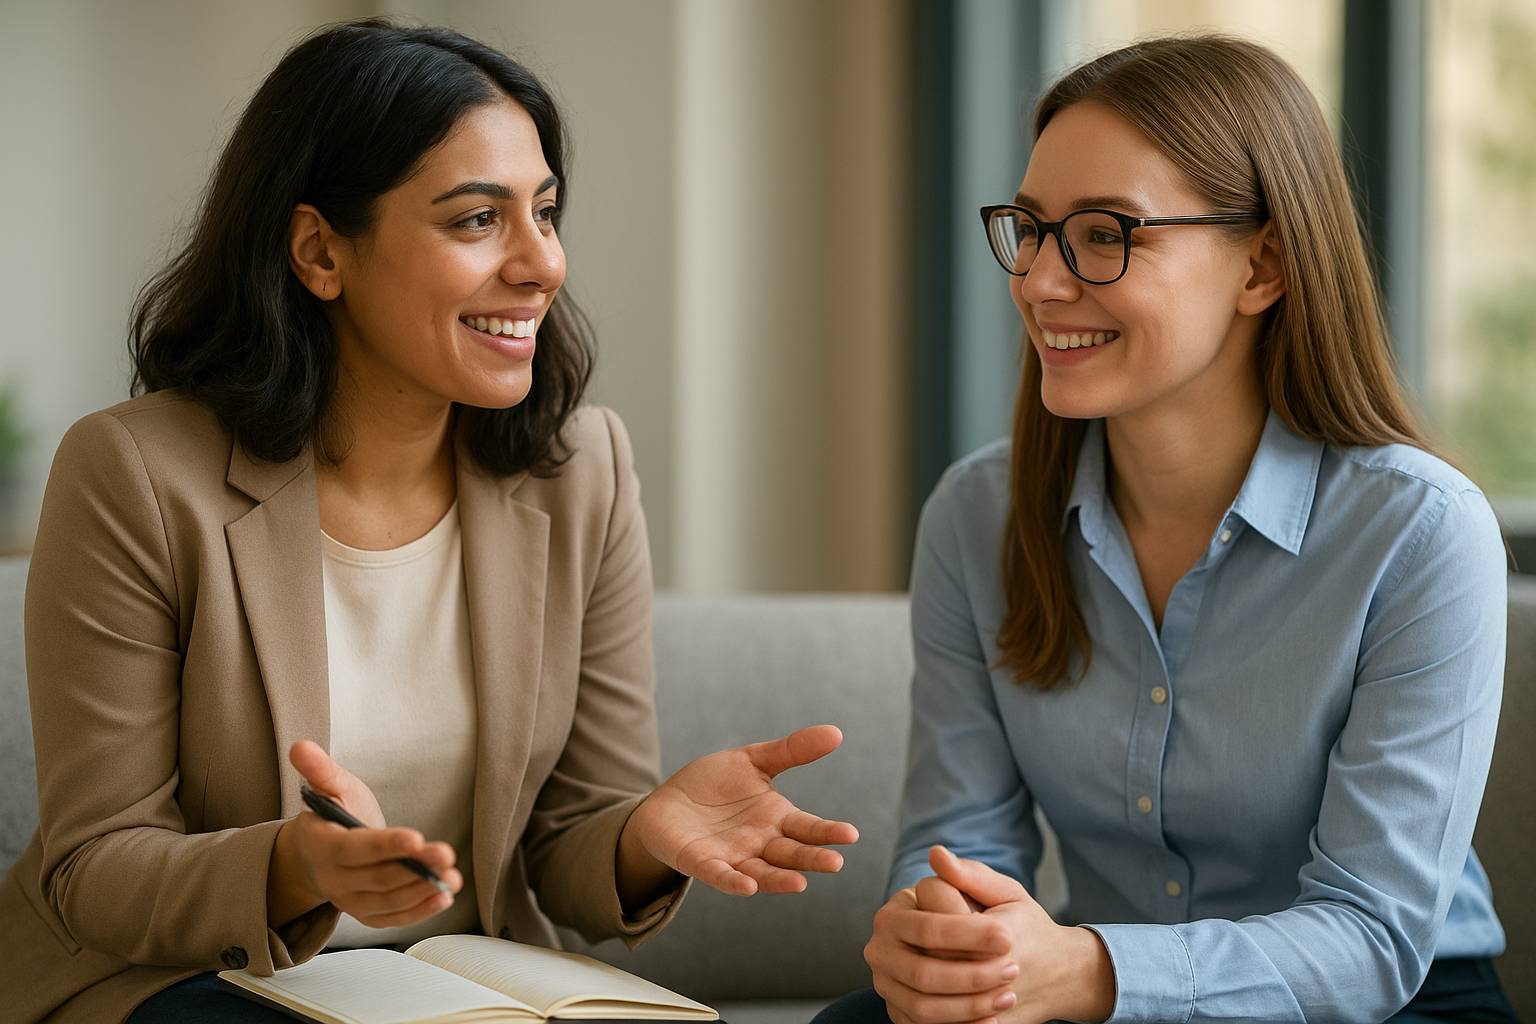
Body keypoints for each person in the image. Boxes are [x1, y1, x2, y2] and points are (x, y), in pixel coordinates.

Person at [0, 20, 857, 1023]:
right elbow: (96, 864)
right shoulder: (136, 473)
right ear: (320, 251)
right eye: (477, 219)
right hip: (189, 981)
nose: (542, 264)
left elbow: (568, 839)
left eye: (545, 212)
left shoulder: (585, 470)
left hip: (459, 986)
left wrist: (645, 834)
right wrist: (292, 866)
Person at [816, 34, 1515, 1024]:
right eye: (1031, 228)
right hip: (1093, 989)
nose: (1039, 282)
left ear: (1261, 266)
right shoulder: (976, 516)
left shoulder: (1422, 532)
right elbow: (961, 838)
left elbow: (1371, 937)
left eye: (1105, 234)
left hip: (1390, 1004)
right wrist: (945, 936)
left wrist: (1091, 971)